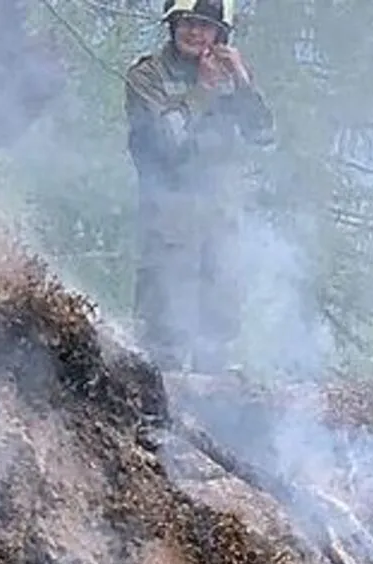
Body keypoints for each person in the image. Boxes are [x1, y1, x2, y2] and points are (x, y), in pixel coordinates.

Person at [125, 0, 275, 374]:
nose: (194, 32)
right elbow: (168, 141)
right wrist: (203, 91)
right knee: (164, 339)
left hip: (220, 221)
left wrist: (242, 82)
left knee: (217, 336)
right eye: (187, 22)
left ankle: (212, 421)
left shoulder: (228, 76)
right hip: (170, 223)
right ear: (172, 25)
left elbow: (263, 133)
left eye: (205, 25)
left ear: (220, 33)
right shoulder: (148, 76)